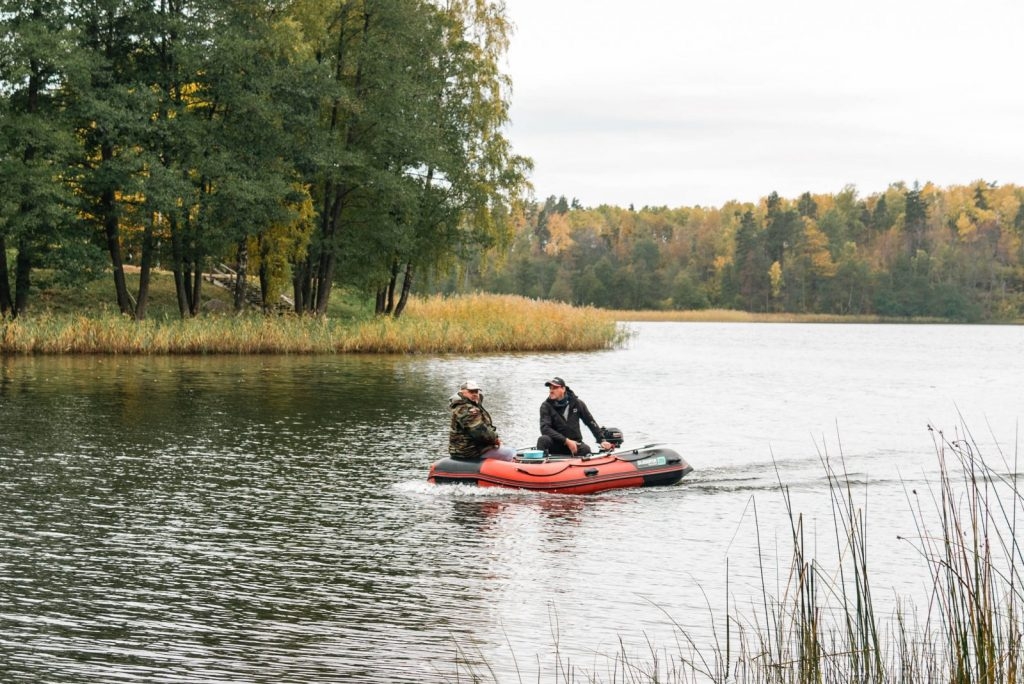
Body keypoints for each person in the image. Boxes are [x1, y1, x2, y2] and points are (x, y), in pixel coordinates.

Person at [537, 376, 613, 457]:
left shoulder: (577, 403)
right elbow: (545, 429)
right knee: (543, 440)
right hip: (556, 443)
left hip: (575, 443)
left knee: (586, 449)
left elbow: (590, 422)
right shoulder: (546, 406)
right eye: (550, 388)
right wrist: (566, 441)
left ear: (563, 389)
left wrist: (601, 440)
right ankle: (540, 465)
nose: (551, 391)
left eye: (555, 388)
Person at [448, 380, 516, 461]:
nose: (474, 394)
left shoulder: (472, 405)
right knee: (510, 453)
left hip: (471, 448)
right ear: (462, 392)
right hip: (468, 451)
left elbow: (485, 428)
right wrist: (495, 440)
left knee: (508, 450)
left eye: (476, 391)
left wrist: (495, 439)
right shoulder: (467, 410)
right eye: (471, 391)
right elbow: (480, 432)